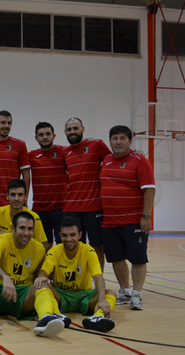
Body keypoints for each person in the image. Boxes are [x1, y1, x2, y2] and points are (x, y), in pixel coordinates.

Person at [100, 125, 155, 310]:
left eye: (122, 138)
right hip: (109, 222)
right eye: (114, 138)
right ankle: (125, 291)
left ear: (130, 141)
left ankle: (137, 294)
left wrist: (146, 216)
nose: (118, 142)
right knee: (116, 258)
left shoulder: (140, 161)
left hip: (133, 221)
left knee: (138, 258)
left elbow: (149, 190)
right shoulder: (105, 160)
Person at [33, 216, 117, 333]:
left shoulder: (88, 251)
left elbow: (98, 277)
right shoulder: (55, 251)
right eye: (64, 235)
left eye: (72, 235)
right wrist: (42, 276)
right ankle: (54, 314)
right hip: (61, 296)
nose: (68, 239)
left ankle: (97, 317)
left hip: (84, 296)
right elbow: (44, 271)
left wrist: (102, 299)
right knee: (42, 286)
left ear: (80, 235)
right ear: (59, 235)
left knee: (110, 293)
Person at [0, 212, 50, 336]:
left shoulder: (39, 249)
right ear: (13, 228)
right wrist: (5, 277)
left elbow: (39, 272)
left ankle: (45, 318)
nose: (26, 233)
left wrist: (43, 276)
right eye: (22, 228)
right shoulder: (2, 240)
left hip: (21, 296)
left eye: (30, 229)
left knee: (42, 284)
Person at [62, 117, 111, 270]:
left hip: (93, 207)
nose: (72, 132)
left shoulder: (96, 145)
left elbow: (113, 160)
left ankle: (98, 282)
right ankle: (80, 281)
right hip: (71, 208)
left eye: (75, 128)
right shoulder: (65, 152)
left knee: (96, 246)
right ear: (65, 132)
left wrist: (133, 152)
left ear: (82, 129)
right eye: (69, 129)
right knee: (74, 247)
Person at [0, 179, 49, 249]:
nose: (16, 198)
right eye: (13, 195)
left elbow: (43, 245)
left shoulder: (34, 217)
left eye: (20, 195)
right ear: (7, 196)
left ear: (26, 197)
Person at [28, 121, 67, 249]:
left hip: (60, 208)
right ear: (36, 138)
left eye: (48, 134)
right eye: (41, 134)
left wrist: (89, 141)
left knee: (62, 246)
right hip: (39, 210)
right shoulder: (31, 156)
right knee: (43, 246)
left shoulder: (64, 152)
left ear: (54, 136)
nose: (45, 137)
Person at [0, 110, 30, 207]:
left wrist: (24, 200)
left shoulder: (20, 145)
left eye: (9, 123)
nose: (6, 126)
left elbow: (26, 175)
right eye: (3, 122)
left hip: (12, 203)